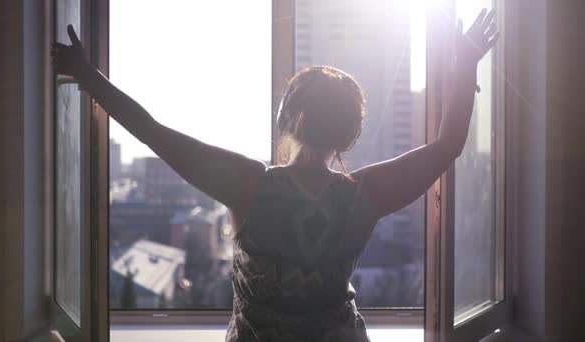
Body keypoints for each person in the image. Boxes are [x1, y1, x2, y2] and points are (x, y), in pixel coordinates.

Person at [52, 9, 498, 342]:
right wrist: (465, 65)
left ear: (288, 117)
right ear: (351, 133)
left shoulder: (249, 184)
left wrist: (89, 75)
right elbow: (447, 146)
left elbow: (153, 132)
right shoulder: (366, 194)